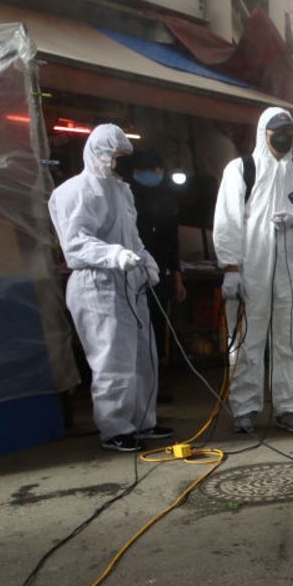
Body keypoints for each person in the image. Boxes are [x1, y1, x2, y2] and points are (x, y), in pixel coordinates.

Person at [49, 125, 173, 452]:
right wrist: (114, 254)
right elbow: (75, 243)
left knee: (142, 355)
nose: (119, 162)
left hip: (128, 281)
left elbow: (130, 236)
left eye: (122, 156)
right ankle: (115, 428)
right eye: (115, 156)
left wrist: (145, 260)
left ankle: (143, 421)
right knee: (111, 359)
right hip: (96, 284)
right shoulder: (75, 191)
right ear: (98, 152)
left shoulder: (121, 191)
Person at [213, 107, 293, 434]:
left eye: (288, 131)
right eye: (276, 130)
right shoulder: (242, 169)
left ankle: (289, 406)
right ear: (263, 132)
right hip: (251, 267)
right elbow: (227, 221)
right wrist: (231, 267)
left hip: (289, 272)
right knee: (248, 338)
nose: (282, 137)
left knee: (290, 338)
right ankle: (244, 407)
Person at [130, 149, 186, 400]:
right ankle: (137, 385)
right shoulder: (127, 196)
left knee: (157, 327)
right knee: (135, 330)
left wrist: (176, 275)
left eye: (157, 171)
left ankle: (155, 383)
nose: (153, 175)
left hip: (160, 274)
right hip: (132, 272)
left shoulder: (168, 199)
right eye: (147, 170)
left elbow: (172, 241)